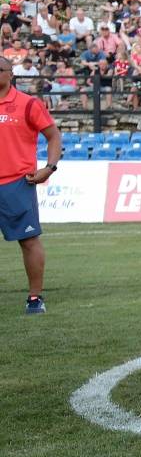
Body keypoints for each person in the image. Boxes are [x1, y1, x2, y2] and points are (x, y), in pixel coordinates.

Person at [0, 56, 61, 314]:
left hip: (16, 183)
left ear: (10, 74)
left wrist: (49, 167)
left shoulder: (27, 104)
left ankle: (34, 298)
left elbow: (53, 135)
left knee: (28, 241)